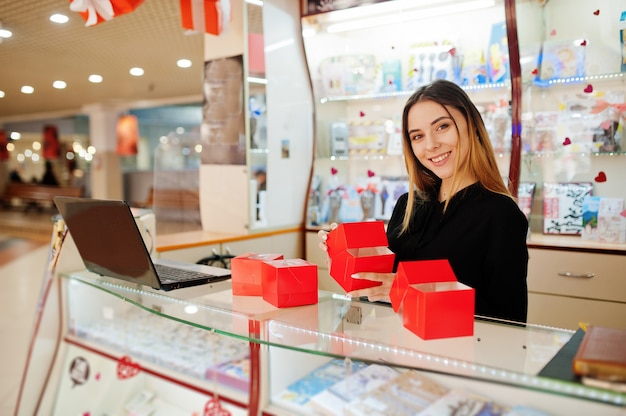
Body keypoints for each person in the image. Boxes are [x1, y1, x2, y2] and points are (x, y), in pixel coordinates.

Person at [319, 79, 528, 323]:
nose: (431, 145)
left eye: (442, 127)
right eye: (417, 136)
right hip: (397, 351)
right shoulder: (408, 205)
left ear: (471, 125)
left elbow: (509, 320)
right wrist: (349, 256)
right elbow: (378, 293)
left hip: (457, 356)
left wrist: (408, 292)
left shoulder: (502, 214)